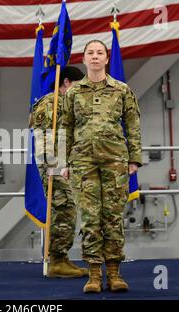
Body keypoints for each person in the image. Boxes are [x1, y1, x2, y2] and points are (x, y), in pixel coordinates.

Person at [60, 40, 142, 293]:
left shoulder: (121, 90)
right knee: (89, 218)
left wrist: (134, 158)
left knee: (113, 217)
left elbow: (133, 123)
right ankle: (94, 274)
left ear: (107, 59)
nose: (95, 57)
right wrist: (63, 162)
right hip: (83, 161)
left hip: (115, 160)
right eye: (90, 53)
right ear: (83, 59)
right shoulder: (73, 92)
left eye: (99, 53)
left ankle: (115, 273)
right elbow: (67, 127)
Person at [30, 66, 88, 278]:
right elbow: (43, 138)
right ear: (67, 82)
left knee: (67, 209)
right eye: (79, 85)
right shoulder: (50, 102)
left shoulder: (70, 103)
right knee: (64, 209)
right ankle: (56, 259)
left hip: (67, 164)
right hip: (55, 164)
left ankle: (61, 258)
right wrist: (55, 165)